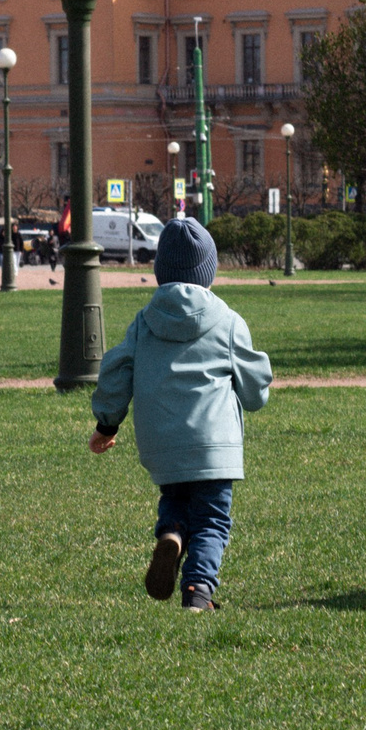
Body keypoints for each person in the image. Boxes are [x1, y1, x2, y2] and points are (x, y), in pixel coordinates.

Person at [89, 217, 273, 612]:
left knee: (175, 500)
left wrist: (107, 422)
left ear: (161, 272)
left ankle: (171, 534)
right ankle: (198, 591)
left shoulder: (143, 321)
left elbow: (116, 369)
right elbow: (254, 381)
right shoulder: (227, 320)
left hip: (162, 442)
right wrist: (256, 396)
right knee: (211, 521)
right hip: (213, 445)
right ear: (209, 271)